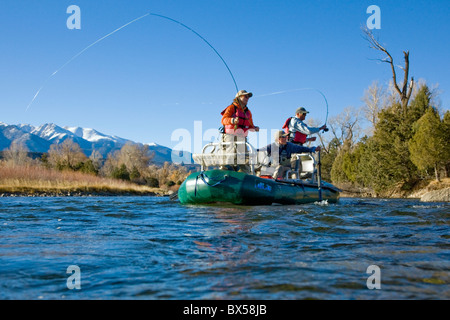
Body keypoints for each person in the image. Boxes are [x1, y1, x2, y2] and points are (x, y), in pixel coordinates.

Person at [220, 90, 259, 171]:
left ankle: (245, 175)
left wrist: (254, 128)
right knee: (230, 157)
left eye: (248, 97)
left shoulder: (248, 112)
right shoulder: (231, 108)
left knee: (243, 159)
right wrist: (232, 121)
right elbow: (223, 120)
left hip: (242, 137)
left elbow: (250, 125)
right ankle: (226, 172)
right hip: (230, 136)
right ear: (239, 97)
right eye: (245, 96)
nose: (247, 98)